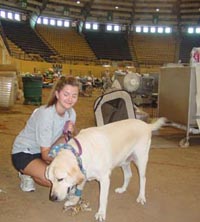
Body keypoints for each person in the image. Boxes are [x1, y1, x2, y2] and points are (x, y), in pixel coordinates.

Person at [11, 76, 80, 192]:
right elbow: (45, 155)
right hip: (24, 152)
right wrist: (66, 163)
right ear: (57, 94)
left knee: (66, 140)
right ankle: (26, 173)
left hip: (44, 149)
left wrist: (72, 132)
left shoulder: (71, 113)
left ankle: (38, 168)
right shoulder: (46, 115)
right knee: (54, 180)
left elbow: (70, 138)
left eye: (74, 96)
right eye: (66, 94)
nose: (70, 99)